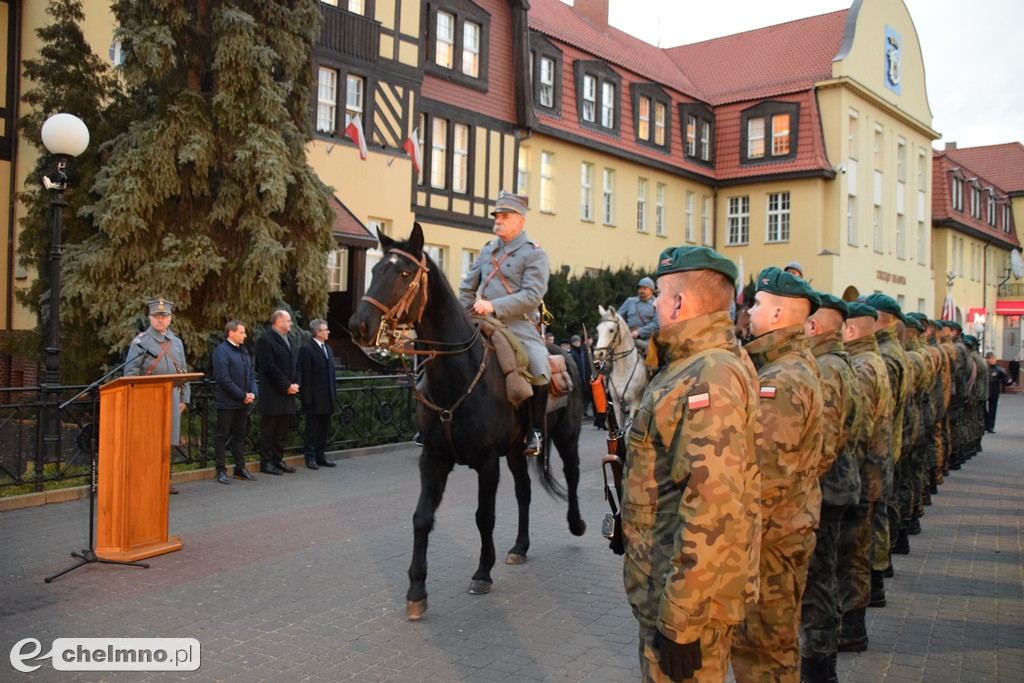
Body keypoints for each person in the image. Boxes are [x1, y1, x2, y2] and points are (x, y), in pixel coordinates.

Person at [622, 245, 760, 683]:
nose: (655, 305)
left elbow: (712, 509)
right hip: (672, 582)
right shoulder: (693, 364)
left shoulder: (708, 376)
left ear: (680, 302)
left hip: (686, 603)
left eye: (660, 295)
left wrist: (681, 619)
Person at [731, 267, 823, 683]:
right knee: (772, 646)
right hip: (784, 533)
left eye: (757, 304)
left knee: (763, 652)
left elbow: (766, 478)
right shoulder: (787, 366)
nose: (749, 312)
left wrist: (732, 546)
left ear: (778, 314)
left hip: (770, 542)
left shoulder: (781, 380)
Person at [459, 190, 550, 456]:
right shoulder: (488, 250)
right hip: (481, 322)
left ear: (520, 220)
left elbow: (533, 296)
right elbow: (466, 288)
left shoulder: (534, 254)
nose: (498, 220)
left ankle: (535, 431)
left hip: (517, 325)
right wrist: (464, 312)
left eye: (505, 216)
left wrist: (494, 306)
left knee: (539, 366)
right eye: (497, 215)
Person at [799, 293, 861, 682]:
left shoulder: (824, 368)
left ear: (814, 326)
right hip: (841, 484)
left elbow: (826, 441)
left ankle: (820, 667)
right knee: (828, 576)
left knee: (819, 582)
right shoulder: (842, 362)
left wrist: (801, 490)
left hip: (827, 489)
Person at [836, 302, 893, 653]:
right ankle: (854, 625)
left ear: (851, 330)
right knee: (859, 551)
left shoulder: (859, 367)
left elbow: (854, 431)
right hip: (876, 470)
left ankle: (852, 629)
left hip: (860, 474)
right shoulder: (877, 361)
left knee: (851, 557)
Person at [125, 298, 191, 495]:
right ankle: (145, 479)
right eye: (156, 316)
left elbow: (183, 371)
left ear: (170, 318)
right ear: (150, 318)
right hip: (149, 397)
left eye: (164, 316)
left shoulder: (176, 342)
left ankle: (164, 479)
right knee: (149, 440)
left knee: (168, 440)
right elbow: (131, 372)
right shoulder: (141, 341)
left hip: (171, 396)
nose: (160, 320)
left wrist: (184, 397)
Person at [211, 320, 258, 484]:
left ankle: (240, 468)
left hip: (241, 403)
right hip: (227, 402)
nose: (245, 335)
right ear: (231, 333)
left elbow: (251, 374)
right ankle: (221, 470)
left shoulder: (243, 350)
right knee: (222, 436)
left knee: (240, 435)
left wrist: (252, 392)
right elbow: (223, 378)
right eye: (242, 332)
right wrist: (242, 395)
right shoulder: (221, 351)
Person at [255, 309, 300, 475]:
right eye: (288, 321)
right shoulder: (265, 340)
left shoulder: (290, 340)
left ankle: (277, 459)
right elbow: (268, 367)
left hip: (288, 394)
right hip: (273, 394)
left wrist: (296, 384)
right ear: (278, 322)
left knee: (282, 431)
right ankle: (266, 463)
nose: (291, 323)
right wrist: (287, 385)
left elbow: (296, 364)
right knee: (269, 430)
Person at [298, 318, 338, 469]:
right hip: (314, 398)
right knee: (312, 430)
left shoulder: (328, 349)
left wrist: (333, 394)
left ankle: (321, 455)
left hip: (327, 397)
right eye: (325, 330)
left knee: (324, 429)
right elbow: (305, 375)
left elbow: (331, 374)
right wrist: (306, 398)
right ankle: (310, 457)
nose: (328, 332)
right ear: (317, 332)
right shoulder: (307, 349)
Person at [618, 277, 660, 351]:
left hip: (647, 338)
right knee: (606, 353)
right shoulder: (630, 301)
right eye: (640, 288)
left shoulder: (657, 303)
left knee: (650, 355)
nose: (641, 290)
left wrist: (639, 332)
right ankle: (596, 363)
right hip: (628, 335)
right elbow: (617, 317)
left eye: (644, 288)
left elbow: (656, 323)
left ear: (651, 290)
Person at [985, 352, 1012, 432]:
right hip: (984, 392)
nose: (993, 360)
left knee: (992, 410)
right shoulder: (984, 368)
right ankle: (986, 423)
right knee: (982, 409)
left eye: (994, 358)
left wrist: (1008, 381)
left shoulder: (998, 369)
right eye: (991, 359)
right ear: (987, 359)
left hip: (994, 392)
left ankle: (990, 426)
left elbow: (1005, 378)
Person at [568, 334, 592, 417]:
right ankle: (578, 412)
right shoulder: (572, 352)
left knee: (585, 395)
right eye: (575, 341)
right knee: (578, 396)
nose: (577, 343)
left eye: (578, 341)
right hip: (577, 377)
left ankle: (583, 410)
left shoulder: (582, 351)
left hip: (584, 376)